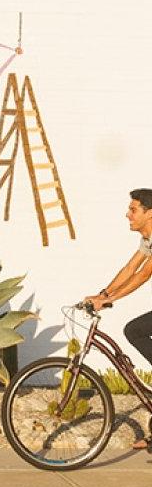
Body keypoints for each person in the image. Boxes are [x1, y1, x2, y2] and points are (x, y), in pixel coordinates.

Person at [84, 188, 152, 450]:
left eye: (133, 210)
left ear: (149, 213)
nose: (127, 214)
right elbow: (129, 268)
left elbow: (144, 274)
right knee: (134, 330)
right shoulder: (147, 240)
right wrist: (103, 294)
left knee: (134, 330)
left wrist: (110, 299)